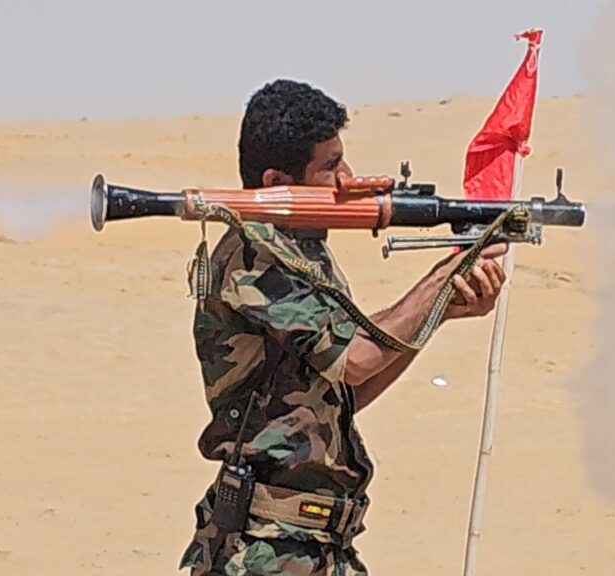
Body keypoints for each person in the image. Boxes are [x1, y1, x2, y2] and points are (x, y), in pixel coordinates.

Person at [178, 79, 507, 575]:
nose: (347, 179)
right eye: (330, 166)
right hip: (264, 550)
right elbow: (357, 359)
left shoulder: (300, 252)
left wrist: (442, 307)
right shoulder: (255, 254)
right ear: (276, 181)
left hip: (314, 544)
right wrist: (440, 279)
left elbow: (343, 393)